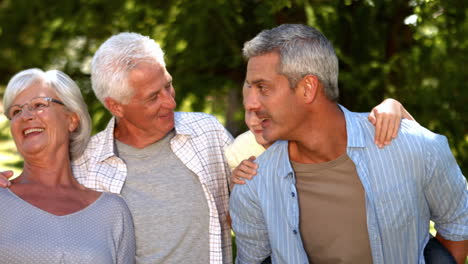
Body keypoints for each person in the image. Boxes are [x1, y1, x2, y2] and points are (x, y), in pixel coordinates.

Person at [229, 24, 468, 264]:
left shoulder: (416, 148)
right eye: (249, 88)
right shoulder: (253, 187)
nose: (250, 103)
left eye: (263, 87)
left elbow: (457, 226)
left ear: (307, 88)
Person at [70, 33, 232, 264]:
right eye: (153, 97)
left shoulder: (207, 132)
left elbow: (261, 197)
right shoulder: (84, 165)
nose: (170, 102)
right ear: (116, 106)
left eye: (168, 85)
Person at [0, 68, 135, 264]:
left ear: (71, 120)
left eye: (38, 104)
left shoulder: (113, 211)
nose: (25, 116)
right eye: (16, 111)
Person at [225, 99, 415, 185]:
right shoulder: (242, 150)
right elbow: (238, 224)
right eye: (249, 111)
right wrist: (238, 187)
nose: (254, 121)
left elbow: (419, 152)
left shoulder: (320, 136)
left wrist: (395, 106)